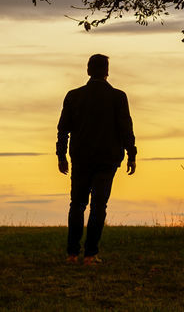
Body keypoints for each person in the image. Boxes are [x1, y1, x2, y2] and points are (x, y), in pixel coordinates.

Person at [56, 53, 137, 264]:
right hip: (107, 159)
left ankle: (72, 253)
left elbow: (63, 129)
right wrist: (131, 153)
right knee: (98, 205)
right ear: (107, 72)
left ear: (88, 70)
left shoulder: (74, 96)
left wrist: (61, 154)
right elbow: (125, 127)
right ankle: (91, 254)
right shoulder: (118, 97)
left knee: (77, 204)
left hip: (81, 158)